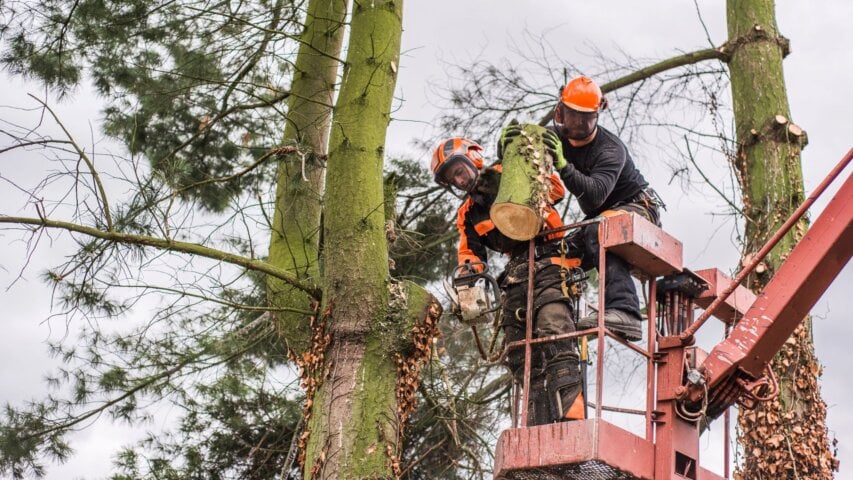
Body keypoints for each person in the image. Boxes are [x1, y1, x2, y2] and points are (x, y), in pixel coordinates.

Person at [431, 137, 585, 426]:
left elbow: (556, 189)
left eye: (460, 171)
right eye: (454, 178)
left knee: (554, 330)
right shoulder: (468, 213)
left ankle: (572, 421)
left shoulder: (508, 172)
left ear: (473, 160)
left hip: (551, 257)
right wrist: (467, 278)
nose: (460, 179)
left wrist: (526, 175)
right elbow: (470, 254)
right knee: (518, 352)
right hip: (515, 272)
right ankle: (536, 427)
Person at [501, 75, 663, 342]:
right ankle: (553, 330)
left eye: (586, 117)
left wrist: (564, 167)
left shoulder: (610, 149)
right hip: (599, 219)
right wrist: (508, 147)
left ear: (598, 115)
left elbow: (594, 198)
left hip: (637, 207)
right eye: (573, 114)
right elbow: (524, 159)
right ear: (560, 112)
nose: (578, 122)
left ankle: (625, 312)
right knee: (552, 253)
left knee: (599, 230)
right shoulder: (553, 137)